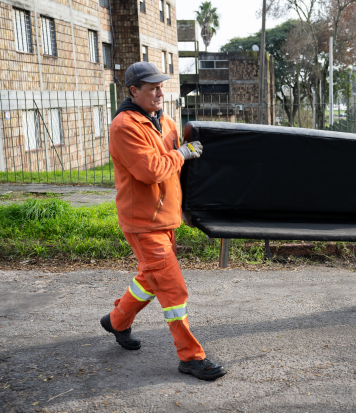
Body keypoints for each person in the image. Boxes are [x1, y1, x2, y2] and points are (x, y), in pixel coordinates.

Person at [100, 62, 226, 381]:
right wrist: (183, 153)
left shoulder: (165, 121)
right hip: (143, 224)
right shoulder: (124, 126)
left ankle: (117, 321)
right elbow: (151, 170)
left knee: (149, 279)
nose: (159, 92)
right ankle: (191, 357)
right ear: (133, 91)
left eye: (161, 86)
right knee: (173, 290)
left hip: (165, 219)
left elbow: (178, 168)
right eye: (152, 87)